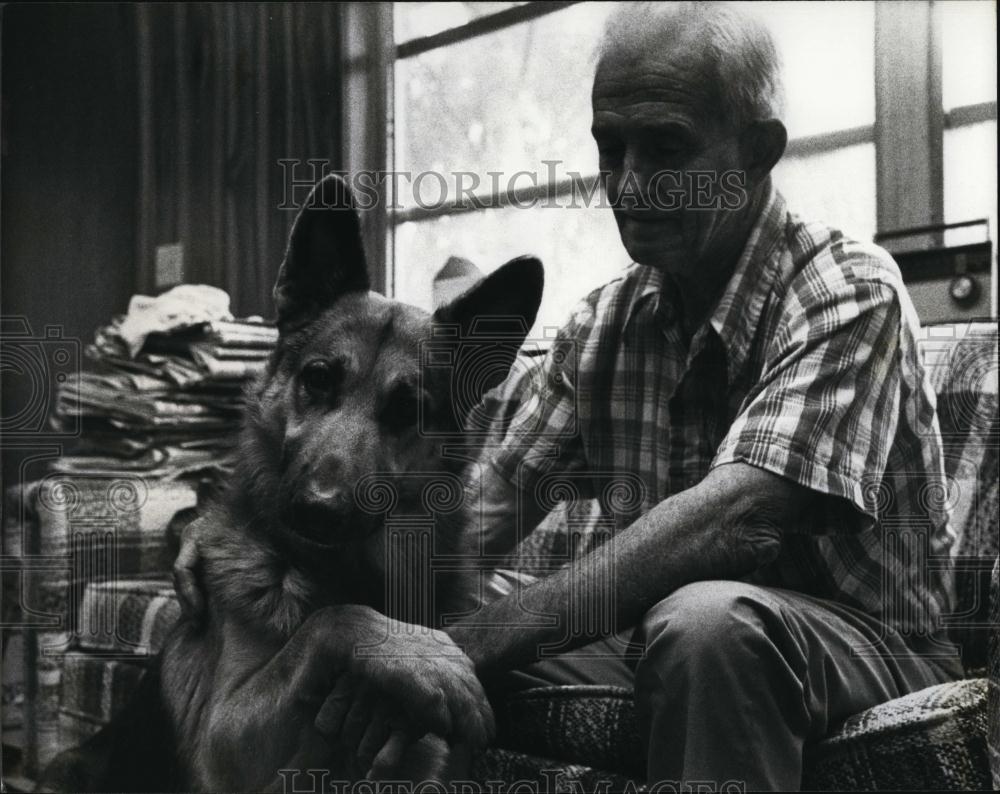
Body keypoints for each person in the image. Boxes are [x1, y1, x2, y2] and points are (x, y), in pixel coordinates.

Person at [175, 2, 963, 789]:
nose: (627, 182)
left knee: (703, 623)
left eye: (665, 148)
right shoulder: (604, 326)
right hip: (658, 634)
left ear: (756, 153)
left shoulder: (848, 292)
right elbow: (469, 525)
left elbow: (740, 520)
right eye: (609, 146)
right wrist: (236, 531)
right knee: (415, 656)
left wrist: (470, 644)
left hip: (868, 645)